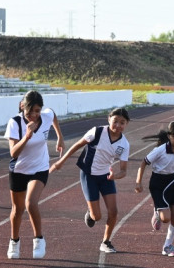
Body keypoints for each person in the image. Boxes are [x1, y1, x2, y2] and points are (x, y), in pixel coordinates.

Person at [50, 107, 130, 254]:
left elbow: (124, 170)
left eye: (122, 122)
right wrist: (61, 162)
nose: (118, 125)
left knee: (114, 211)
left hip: (106, 177)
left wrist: (115, 176)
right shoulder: (97, 132)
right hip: (89, 175)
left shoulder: (124, 145)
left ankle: (106, 242)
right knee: (96, 217)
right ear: (109, 120)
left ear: (127, 124)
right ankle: (90, 212)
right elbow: (77, 145)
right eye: (115, 121)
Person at [3, 90, 65, 260]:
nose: (34, 115)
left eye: (37, 111)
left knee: (31, 203)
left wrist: (60, 136)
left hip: (40, 167)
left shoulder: (45, 116)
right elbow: (14, 153)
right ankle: (14, 241)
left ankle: (39, 239)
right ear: (23, 107)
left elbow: (53, 115)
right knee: (17, 209)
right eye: (30, 111)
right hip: (19, 169)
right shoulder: (15, 123)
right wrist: (27, 136)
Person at [135, 121, 174, 257]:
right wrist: (138, 182)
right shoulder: (160, 150)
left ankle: (167, 245)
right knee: (165, 218)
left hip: (172, 182)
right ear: (169, 136)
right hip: (157, 182)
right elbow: (144, 162)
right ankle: (157, 211)